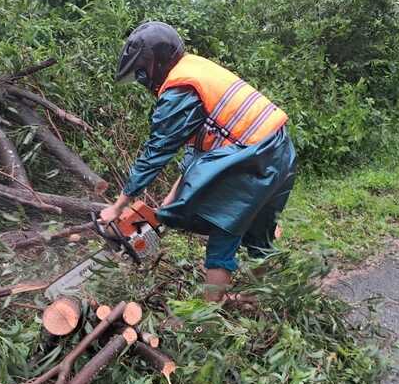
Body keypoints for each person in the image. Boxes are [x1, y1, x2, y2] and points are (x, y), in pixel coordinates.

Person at [99, 22, 296, 302]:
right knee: (259, 231)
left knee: (223, 228)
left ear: (157, 62)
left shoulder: (180, 89)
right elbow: (200, 153)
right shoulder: (195, 70)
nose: (142, 79)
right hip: (278, 149)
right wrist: (163, 208)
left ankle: (205, 319)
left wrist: (117, 207)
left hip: (255, 158)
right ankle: (263, 298)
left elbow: (157, 151)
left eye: (142, 71)